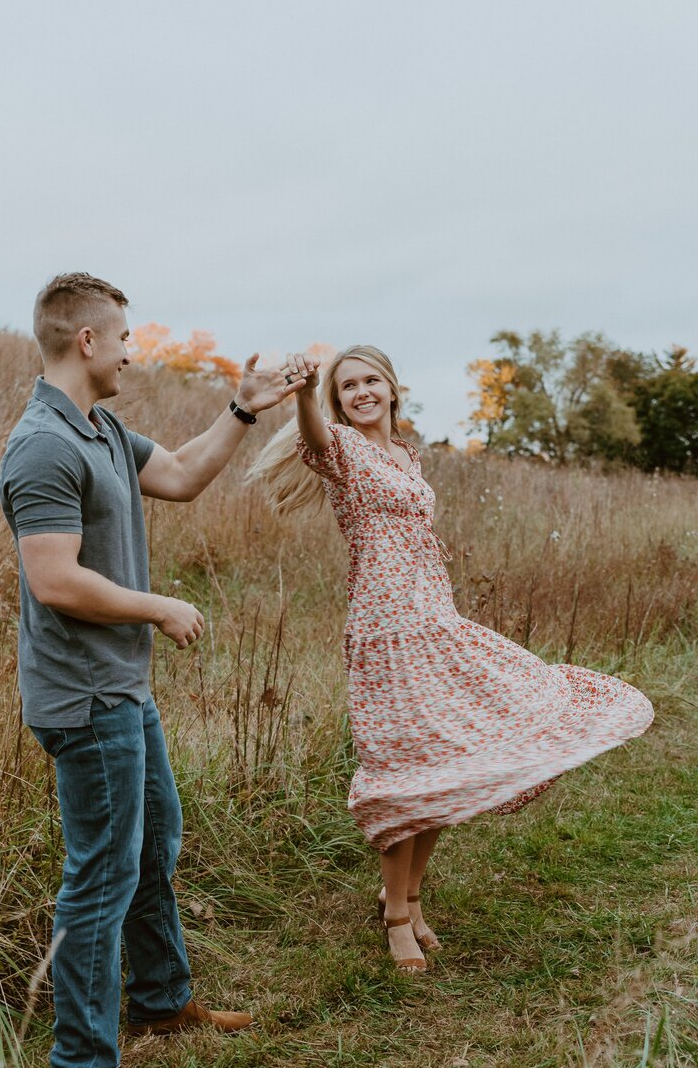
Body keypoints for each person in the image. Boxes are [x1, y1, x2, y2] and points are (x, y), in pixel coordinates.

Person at [0, 272, 304, 1068]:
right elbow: (55, 580)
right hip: (85, 697)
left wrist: (243, 410)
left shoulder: (101, 428)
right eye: (124, 336)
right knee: (101, 873)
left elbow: (182, 474)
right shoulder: (42, 445)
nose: (134, 349)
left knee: (154, 843)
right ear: (87, 341)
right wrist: (160, 605)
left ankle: (163, 1003)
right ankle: (84, 1066)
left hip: (124, 686)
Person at [249, 345, 654, 975]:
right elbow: (314, 439)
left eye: (370, 380)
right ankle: (394, 922)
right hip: (386, 629)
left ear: (391, 387)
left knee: (444, 762)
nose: (360, 392)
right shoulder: (339, 447)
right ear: (336, 398)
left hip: (434, 620)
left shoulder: (406, 454)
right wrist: (304, 396)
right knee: (406, 766)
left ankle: (405, 896)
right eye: (347, 384)